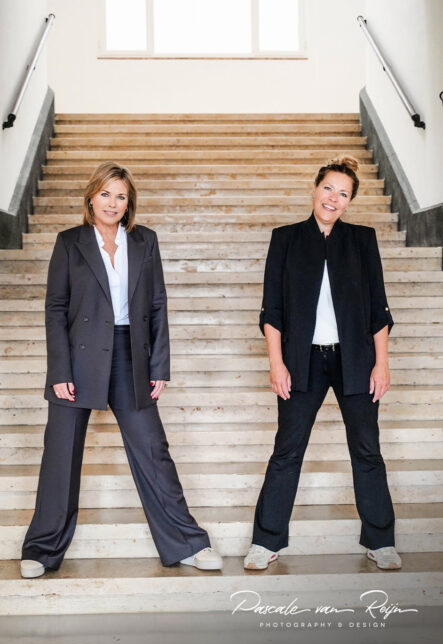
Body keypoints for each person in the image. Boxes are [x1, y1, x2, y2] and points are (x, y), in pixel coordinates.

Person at [20, 161, 222, 578]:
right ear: (91, 197)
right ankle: (41, 549)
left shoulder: (145, 241)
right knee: (61, 455)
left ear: (129, 203)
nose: (112, 203)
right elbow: (55, 308)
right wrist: (60, 371)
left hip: (131, 356)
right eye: (106, 194)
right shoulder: (69, 242)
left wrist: (159, 364)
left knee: (153, 450)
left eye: (121, 196)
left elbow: (158, 303)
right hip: (78, 359)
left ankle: (187, 543)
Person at [244, 156, 401, 571]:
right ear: (315, 189)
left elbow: (379, 310)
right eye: (328, 188)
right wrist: (276, 363)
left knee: (367, 451)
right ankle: (266, 541)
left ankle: (381, 541)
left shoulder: (363, 240)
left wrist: (381, 364)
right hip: (302, 361)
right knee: (286, 451)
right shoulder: (286, 239)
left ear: (350, 201)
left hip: (356, 360)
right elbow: (272, 309)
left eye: (343, 193)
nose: (333, 198)